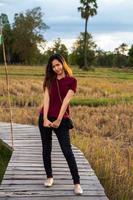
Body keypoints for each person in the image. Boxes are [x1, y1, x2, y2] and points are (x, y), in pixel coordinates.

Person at [38, 54, 83, 195]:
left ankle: (77, 183)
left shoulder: (72, 81)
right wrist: (45, 119)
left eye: (58, 65)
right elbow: (46, 99)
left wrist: (58, 120)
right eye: (53, 66)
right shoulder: (49, 80)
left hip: (61, 120)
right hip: (45, 117)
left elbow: (65, 102)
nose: (56, 68)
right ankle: (49, 177)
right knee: (46, 149)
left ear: (63, 63)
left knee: (67, 151)